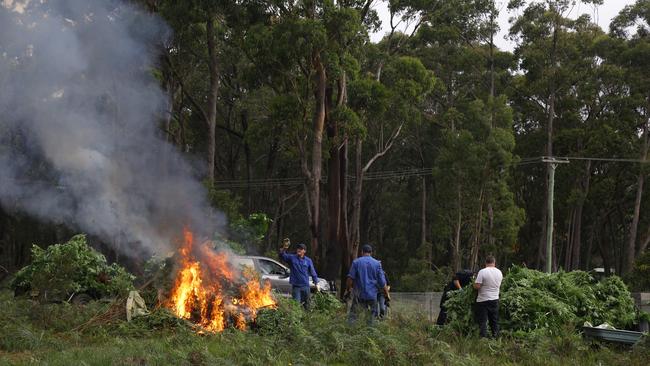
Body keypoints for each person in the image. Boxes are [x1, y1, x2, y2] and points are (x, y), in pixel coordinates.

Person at [345, 244, 389, 324]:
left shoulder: (356, 262)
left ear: (362, 252)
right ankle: (370, 334)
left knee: (353, 316)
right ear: (371, 252)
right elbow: (382, 283)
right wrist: (386, 294)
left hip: (359, 294)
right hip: (372, 295)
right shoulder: (377, 264)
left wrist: (348, 289)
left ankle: (351, 333)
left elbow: (350, 278)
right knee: (371, 318)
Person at [278, 238, 319, 309]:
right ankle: (297, 320)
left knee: (307, 306)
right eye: (298, 248)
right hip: (296, 287)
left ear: (304, 251)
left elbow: (313, 272)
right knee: (296, 306)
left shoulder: (308, 260)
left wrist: (316, 283)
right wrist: (284, 248)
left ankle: (306, 319)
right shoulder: (292, 258)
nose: (299, 250)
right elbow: (282, 255)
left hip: (306, 287)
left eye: (301, 248)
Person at [473, 255, 503, 338]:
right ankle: (496, 337)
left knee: (483, 321)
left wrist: (474, 285)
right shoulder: (499, 272)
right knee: (494, 320)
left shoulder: (482, 272)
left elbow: (477, 286)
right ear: (494, 262)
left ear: (486, 263)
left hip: (483, 300)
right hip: (495, 299)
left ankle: (483, 339)